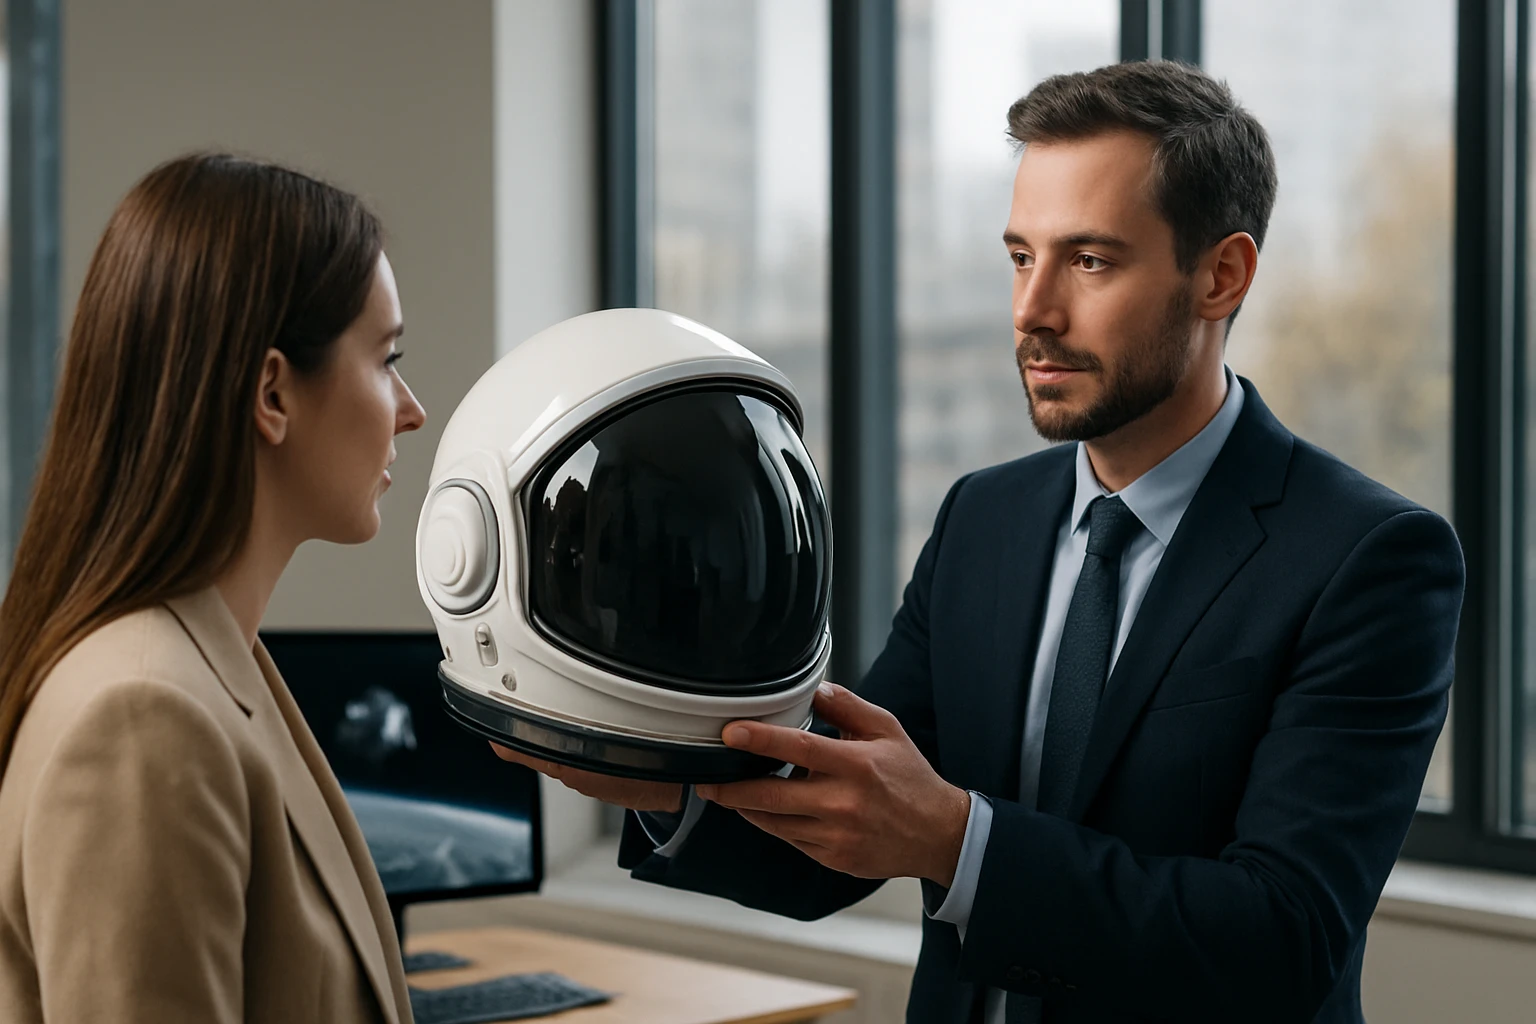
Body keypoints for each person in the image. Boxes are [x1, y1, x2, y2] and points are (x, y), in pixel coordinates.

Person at [496, 60, 1466, 1024]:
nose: (1033, 310)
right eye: (1019, 256)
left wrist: (960, 843)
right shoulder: (982, 520)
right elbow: (846, 830)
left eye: (1090, 261)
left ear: (1223, 274)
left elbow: (1281, 940)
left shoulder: (1370, 559)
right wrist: (659, 779)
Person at [0, 154, 427, 1023]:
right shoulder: (143, 720)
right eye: (386, 360)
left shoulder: (210, 664)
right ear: (273, 392)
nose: (411, 408)